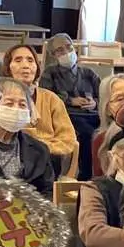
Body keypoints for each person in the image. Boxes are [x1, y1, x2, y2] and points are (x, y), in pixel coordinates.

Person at [0, 43, 78, 176]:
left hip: (48, 161)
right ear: (8, 67)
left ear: (37, 67)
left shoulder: (51, 99)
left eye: (30, 60)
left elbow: (68, 140)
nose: (25, 65)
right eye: (18, 60)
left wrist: (40, 148)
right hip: (7, 158)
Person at [0, 77, 55, 197]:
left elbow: (47, 191)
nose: (16, 109)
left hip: (27, 208)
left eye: (22, 105)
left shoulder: (40, 149)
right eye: (9, 103)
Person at [40, 33, 100, 180]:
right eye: (60, 50)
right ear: (53, 55)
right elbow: (46, 96)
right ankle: (86, 176)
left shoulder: (88, 73)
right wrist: (70, 101)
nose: (66, 52)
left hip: (92, 114)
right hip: (68, 116)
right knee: (88, 134)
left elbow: (104, 95)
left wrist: (95, 102)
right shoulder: (50, 74)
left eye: (69, 47)